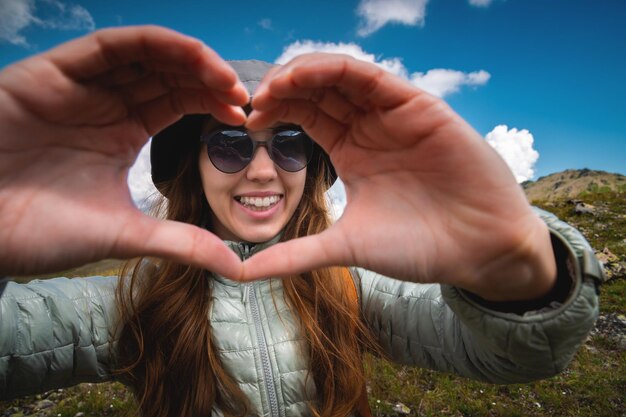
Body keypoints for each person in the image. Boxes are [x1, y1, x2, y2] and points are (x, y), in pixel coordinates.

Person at [0, 26, 603, 417]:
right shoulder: (134, 300)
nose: (263, 171)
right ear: (194, 168)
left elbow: (519, 359)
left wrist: (515, 266)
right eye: (231, 146)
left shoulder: (352, 287)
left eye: (288, 144)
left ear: (311, 166)